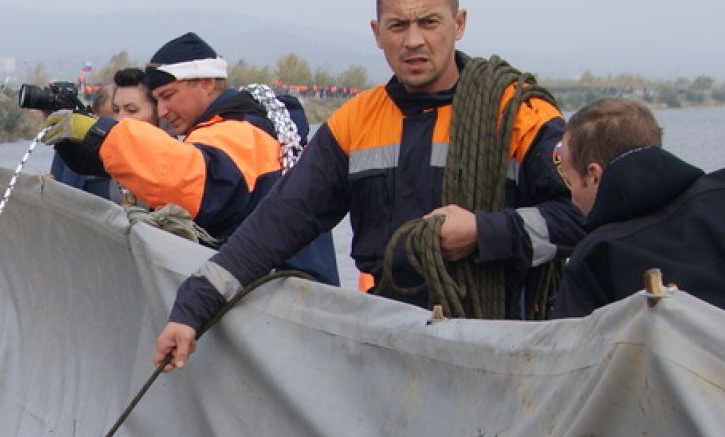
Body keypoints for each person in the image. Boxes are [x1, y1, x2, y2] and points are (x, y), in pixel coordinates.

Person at [154, 0, 584, 369]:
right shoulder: (355, 123)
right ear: (378, 33)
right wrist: (192, 309)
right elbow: (276, 225)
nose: (413, 40)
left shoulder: (518, 115)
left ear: (459, 23)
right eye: (398, 25)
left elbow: (580, 219)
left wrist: (482, 232)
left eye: (429, 22)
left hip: (498, 349)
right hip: (389, 348)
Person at [40, 33, 338, 283]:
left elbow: (187, 181)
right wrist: (80, 148)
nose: (163, 110)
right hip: (289, 291)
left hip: (280, 300)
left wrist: (101, 133)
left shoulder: (236, 134)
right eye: (157, 100)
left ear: (207, 82)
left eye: (169, 95)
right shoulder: (249, 124)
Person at [552, 99, 725, 317]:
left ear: (594, 175)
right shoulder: (718, 196)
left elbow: (574, 347)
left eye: (570, 181)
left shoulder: (594, 259)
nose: (572, 196)